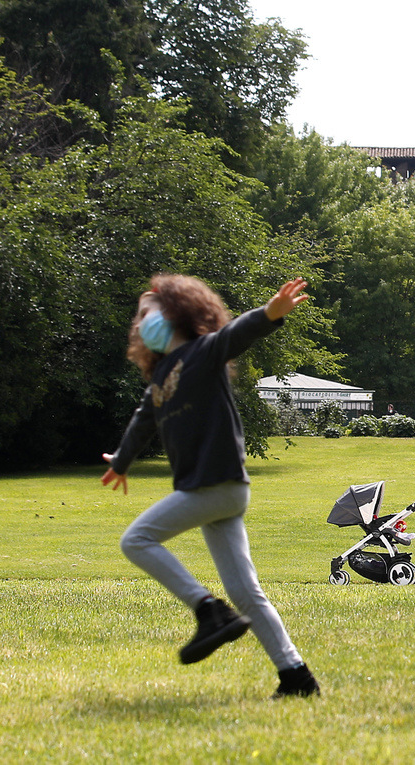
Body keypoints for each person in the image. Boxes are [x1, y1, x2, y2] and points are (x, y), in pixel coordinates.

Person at [100, 274, 319, 698]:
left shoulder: (204, 350)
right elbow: (143, 419)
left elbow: (238, 333)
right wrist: (122, 462)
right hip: (214, 492)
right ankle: (297, 677)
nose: (142, 322)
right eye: (139, 316)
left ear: (179, 311)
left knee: (137, 540)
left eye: (150, 312)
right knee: (246, 592)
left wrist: (272, 312)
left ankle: (208, 609)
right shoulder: (162, 375)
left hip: (215, 484)